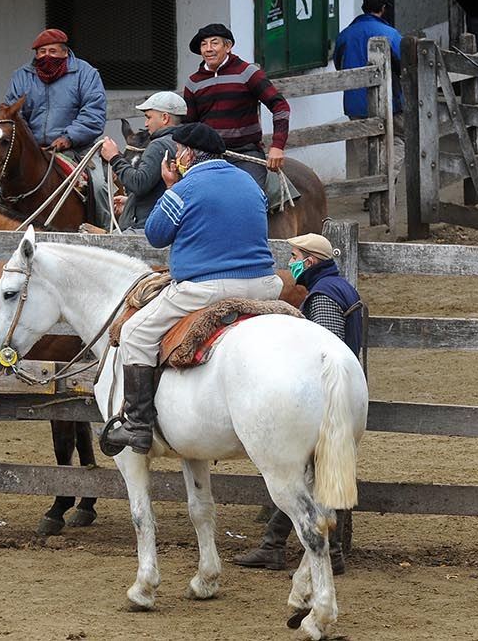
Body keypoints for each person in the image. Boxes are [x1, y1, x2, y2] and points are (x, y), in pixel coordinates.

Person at [102, 123, 283, 455]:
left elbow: (156, 235)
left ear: (185, 155)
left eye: (179, 152)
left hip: (207, 287)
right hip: (264, 285)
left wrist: (171, 187)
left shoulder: (184, 189)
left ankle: (139, 425)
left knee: (134, 333)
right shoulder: (250, 181)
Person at [232, 233, 364, 575]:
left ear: (310, 261)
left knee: (305, 479)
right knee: (315, 477)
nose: (289, 264)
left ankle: (295, 549)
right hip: (342, 390)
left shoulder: (322, 297)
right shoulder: (339, 287)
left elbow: (325, 347)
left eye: (293, 256)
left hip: (325, 393)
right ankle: (276, 545)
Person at [5, 28, 111, 228]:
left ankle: (104, 233)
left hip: (77, 148)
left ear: (65, 52)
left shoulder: (86, 73)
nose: (46, 57)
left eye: (52, 51)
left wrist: (68, 137)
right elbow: (14, 115)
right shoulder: (21, 76)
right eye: (41, 52)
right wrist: (29, 143)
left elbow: (93, 113)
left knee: (98, 186)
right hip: (33, 150)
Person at [182, 22, 291, 189]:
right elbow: (190, 124)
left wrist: (277, 146)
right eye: (204, 44)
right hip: (207, 156)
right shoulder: (193, 83)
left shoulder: (247, 73)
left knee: (251, 197)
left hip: (245, 154)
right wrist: (186, 150)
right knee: (191, 197)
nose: (208, 48)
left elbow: (280, 107)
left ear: (228, 46)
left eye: (214, 42)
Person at [334, 0, 405, 204]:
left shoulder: (345, 34)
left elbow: (339, 65)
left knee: (364, 147)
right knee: (399, 141)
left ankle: (369, 193)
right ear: (382, 9)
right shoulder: (390, 34)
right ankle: (385, 183)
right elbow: (403, 65)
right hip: (389, 101)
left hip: (355, 102)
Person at [99, 91, 185, 232]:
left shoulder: (159, 145)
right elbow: (159, 190)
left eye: (148, 117)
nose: (145, 124)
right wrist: (131, 203)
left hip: (145, 228)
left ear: (164, 118)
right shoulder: (182, 143)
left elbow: (139, 183)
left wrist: (114, 157)